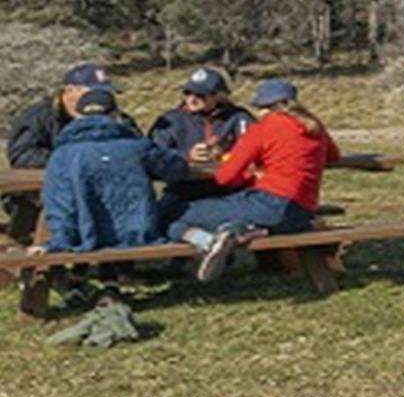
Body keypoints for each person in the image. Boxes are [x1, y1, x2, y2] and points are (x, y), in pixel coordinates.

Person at [166, 79, 340, 283]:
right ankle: (236, 230)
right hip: (302, 212)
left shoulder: (263, 129)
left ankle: (208, 242)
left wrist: (251, 172)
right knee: (239, 214)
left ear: (265, 107)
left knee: (174, 213)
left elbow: (225, 177)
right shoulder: (314, 126)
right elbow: (333, 156)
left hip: (269, 204)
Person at [39, 87, 189, 254]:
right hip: (139, 234)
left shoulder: (62, 154)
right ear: (115, 114)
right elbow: (176, 168)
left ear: (77, 116)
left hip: (87, 237)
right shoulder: (136, 147)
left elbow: (59, 203)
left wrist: (61, 240)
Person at [5, 63, 135, 245]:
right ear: (70, 91)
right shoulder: (39, 117)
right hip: (44, 188)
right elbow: (22, 155)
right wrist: (70, 160)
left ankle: (113, 262)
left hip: (102, 187)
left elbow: (136, 148)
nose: (100, 97)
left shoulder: (115, 117)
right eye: (92, 91)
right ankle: (42, 262)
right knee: (54, 200)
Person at [149, 67, 253, 226]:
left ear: (219, 96)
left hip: (228, 192)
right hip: (184, 191)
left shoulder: (238, 117)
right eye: (188, 93)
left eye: (200, 95)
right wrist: (186, 156)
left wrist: (224, 155)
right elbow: (154, 156)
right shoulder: (171, 120)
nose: (192, 99)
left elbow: (254, 152)